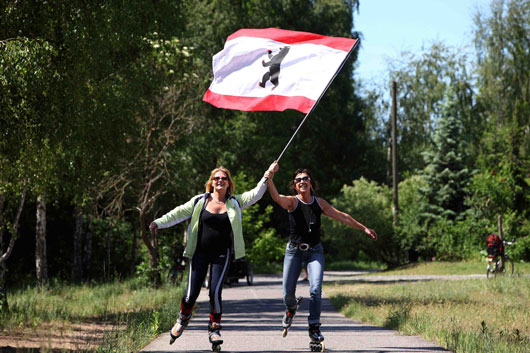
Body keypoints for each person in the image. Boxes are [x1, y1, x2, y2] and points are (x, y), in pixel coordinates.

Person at [149, 165, 276, 347]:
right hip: (200, 252)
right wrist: (158, 223)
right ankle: (182, 319)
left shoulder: (234, 202)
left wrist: (267, 176)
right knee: (191, 294)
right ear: (211, 182)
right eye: (216, 178)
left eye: (223, 178)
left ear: (228, 183)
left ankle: (214, 330)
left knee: (215, 292)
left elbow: (255, 194)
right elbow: (177, 213)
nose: (220, 180)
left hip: (222, 254)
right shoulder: (199, 201)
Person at [266, 162, 377, 345]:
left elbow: (342, 216)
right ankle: (291, 307)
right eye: (298, 180)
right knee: (287, 293)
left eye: (305, 179)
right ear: (294, 185)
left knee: (315, 289)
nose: (302, 182)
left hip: (314, 251)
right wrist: (270, 179)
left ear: (310, 183)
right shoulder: (292, 202)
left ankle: (314, 328)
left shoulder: (320, 203)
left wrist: (363, 228)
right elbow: (277, 198)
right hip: (294, 251)